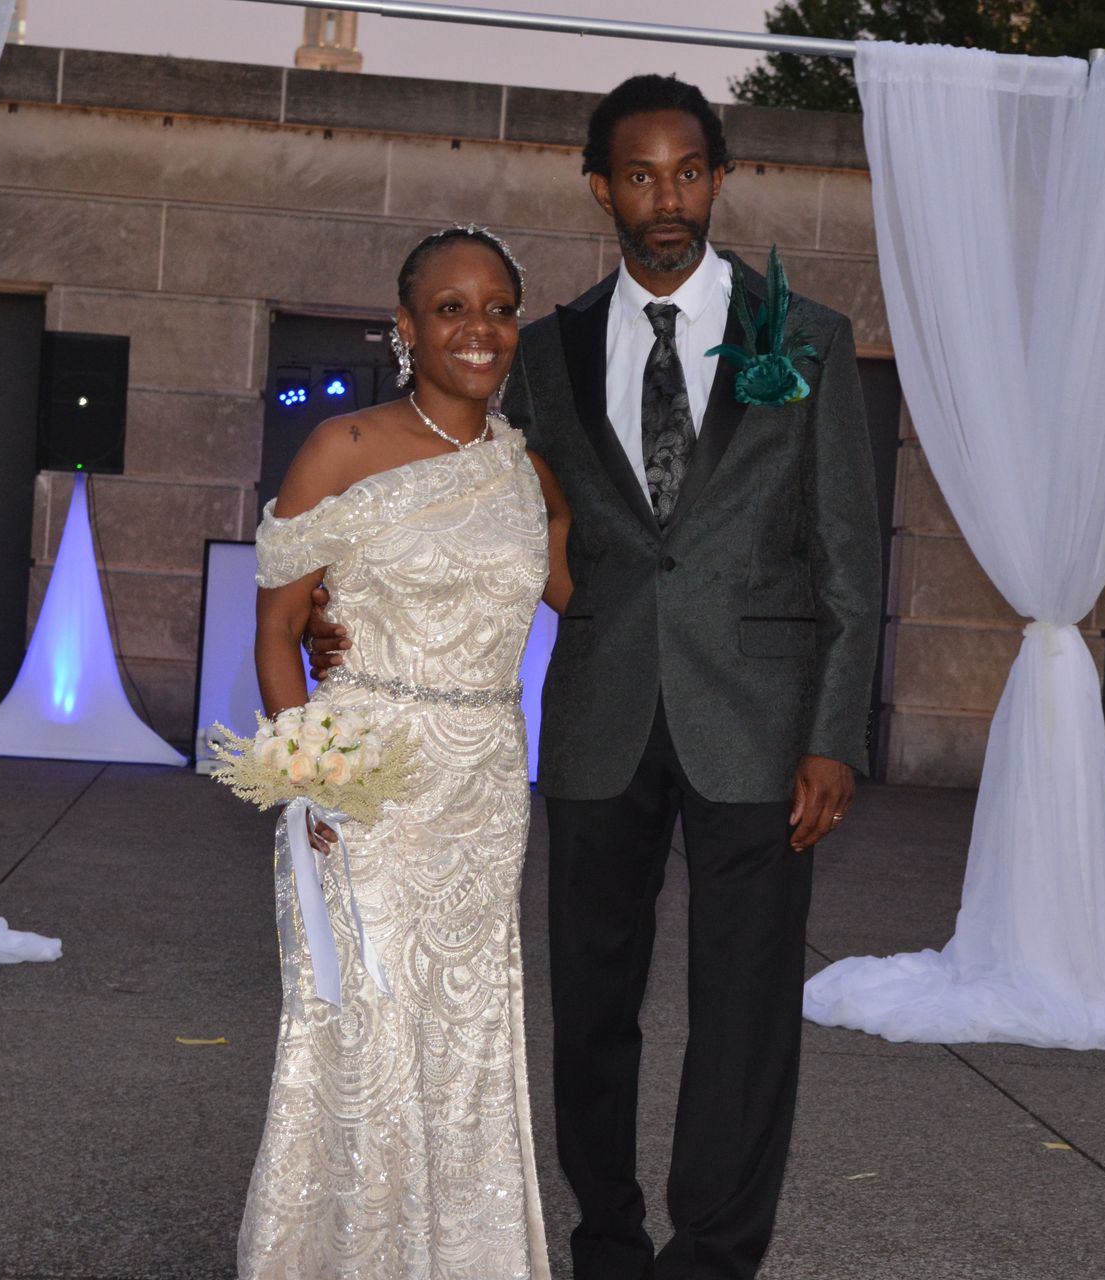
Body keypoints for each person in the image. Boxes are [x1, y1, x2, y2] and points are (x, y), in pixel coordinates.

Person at [312, 74, 883, 1280]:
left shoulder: (810, 340)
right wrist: (346, 606)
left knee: (745, 1010)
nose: (666, 198)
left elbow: (846, 551)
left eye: (688, 172)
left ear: (719, 180)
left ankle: (713, 1255)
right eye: (639, 174)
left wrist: (834, 731)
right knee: (591, 1005)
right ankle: (608, 1243)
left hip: (761, 724)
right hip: (597, 716)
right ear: (599, 189)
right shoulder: (547, 350)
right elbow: (467, 494)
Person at [240, 225, 570, 1280]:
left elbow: (596, 597)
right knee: (362, 1034)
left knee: (466, 1037)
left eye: (500, 308)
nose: (480, 328)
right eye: (451, 308)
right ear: (406, 327)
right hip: (365, 788)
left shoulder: (527, 471)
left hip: (484, 789)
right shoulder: (342, 447)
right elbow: (277, 630)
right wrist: (309, 782)